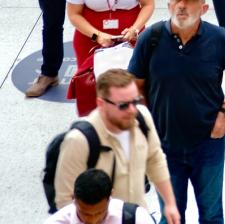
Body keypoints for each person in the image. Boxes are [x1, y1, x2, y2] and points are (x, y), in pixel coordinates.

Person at [127, 0, 225, 224]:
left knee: (212, 214)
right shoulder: (150, 38)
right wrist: (147, 123)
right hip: (165, 145)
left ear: (204, 9)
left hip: (208, 143)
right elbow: (135, 85)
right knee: (171, 215)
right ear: (169, 4)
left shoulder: (218, 39)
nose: (182, 5)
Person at [52, 68, 177, 222]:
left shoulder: (142, 116)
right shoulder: (79, 141)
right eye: (123, 105)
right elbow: (65, 201)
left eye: (135, 101)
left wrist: (170, 203)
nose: (132, 110)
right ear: (101, 103)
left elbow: (155, 160)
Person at [48, 167, 157, 224]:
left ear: (111, 196)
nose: (92, 221)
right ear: (73, 198)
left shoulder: (135, 219)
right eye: (85, 213)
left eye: (99, 213)